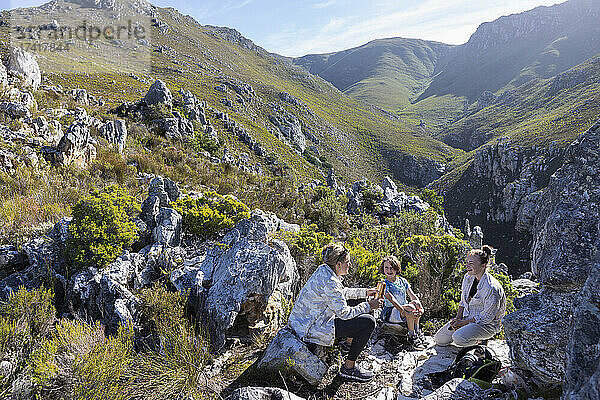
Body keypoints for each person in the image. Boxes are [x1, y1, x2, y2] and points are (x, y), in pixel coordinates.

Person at [288, 243, 383, 382]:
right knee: (368, 322)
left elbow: (340, 294)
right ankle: (348, 368)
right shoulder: (330, 282)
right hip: (310, 329)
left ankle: (348, 345)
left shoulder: (324, 270)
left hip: (308, 321)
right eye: (347, 262)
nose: (349, 265)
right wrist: (369, 305)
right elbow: (344, 314)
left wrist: (365, 292)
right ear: (338, 264)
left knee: (356, 302)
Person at [434, 245, 506, 347]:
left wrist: (463, 323)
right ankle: (468, 335)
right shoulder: (468, 277)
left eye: (471, 263)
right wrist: (457, 320)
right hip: (467, 318)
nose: (467, 266)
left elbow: (486, 318)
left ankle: (480, 342)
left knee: (458, 338)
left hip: (486, 325)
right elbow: (463, 301)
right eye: (467, 263)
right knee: (440, 339)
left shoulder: (491, 288)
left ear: (483, 265)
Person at [379, 255, 426, 350]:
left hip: (404, 310)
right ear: (383, 269)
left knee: (415, 304)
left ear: (396, 268)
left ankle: (417, 331)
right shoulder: (384, 284)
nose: (389, 270)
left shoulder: (402, 281)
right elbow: (392, 300)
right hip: (391, 312)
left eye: (392, 268)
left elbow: (412, 295)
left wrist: (420, 308)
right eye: (386, 267)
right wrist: (404, 312)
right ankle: (412, 336)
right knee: (411, 307)